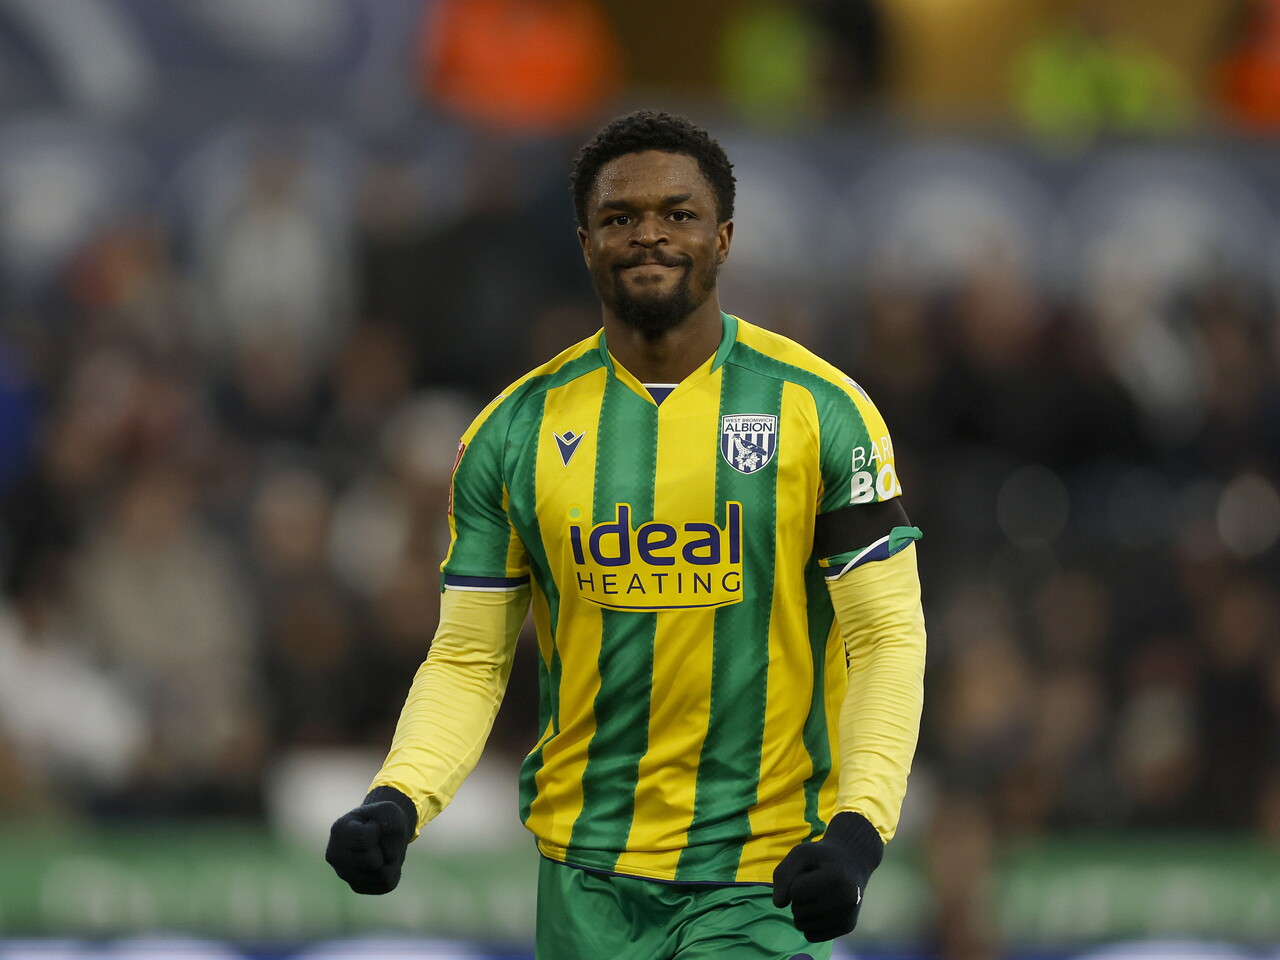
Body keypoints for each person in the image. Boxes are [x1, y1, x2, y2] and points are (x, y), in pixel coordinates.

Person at [325, 110, 927, 960]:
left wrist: (859, 830)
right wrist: (398, 797)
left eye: (678, 214)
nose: (649, 235)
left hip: (761, 877)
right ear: (584, 243)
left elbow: (887, 636)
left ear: (722, 239)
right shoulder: (511, 433)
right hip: (584, 879)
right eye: (620, 218)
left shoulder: (822, 412)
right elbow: (469, 656)